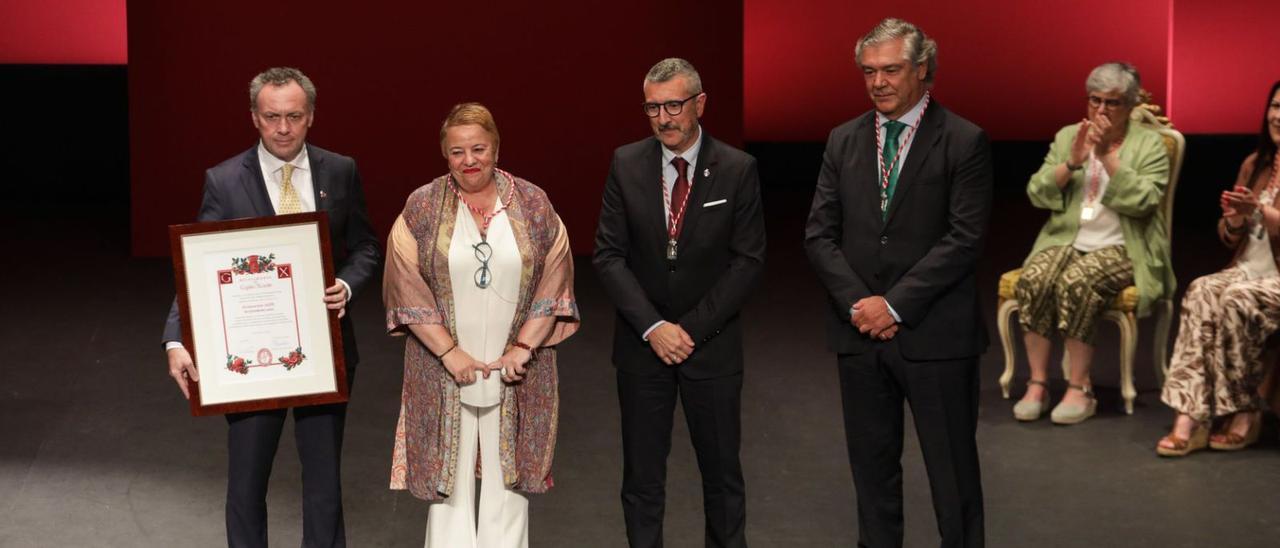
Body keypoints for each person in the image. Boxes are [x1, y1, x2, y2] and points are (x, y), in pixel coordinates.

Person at [161, 66, 381, 547]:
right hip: (248, 361)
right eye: (272, 117)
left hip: (323, 353)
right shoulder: (223, 181)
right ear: (254, 119)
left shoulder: (340, 170)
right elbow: (197, 266)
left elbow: (366, 245)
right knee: (246, 483)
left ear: (311, 117)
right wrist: (175, 338)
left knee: (324, 483)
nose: (283, 128)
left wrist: (346, 284)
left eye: (294, 116)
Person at [804, 18, 992, 547]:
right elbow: (819, 235)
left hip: (936, 337)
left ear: (923, 68)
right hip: (859, 333)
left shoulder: (963, 140)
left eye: (891, 70)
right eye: (869, 71)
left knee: (953, 477)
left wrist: (895, 305)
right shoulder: (843, 140)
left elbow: (963, 239)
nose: (878, 82)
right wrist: (861, 305)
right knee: (872, 476)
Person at [383, 102, 579, 548]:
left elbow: (556, 277)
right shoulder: (423, 205)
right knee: (446, 488)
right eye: (457, 152)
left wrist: (523, 349)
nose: (469, 160)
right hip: (442, 368)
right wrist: (450, 353)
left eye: (478, 148)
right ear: (444, 154)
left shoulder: (532, 203)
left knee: (507, 490)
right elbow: (404, 283)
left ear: (496, 147)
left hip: (516, 372)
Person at [593, 58, 765, 548]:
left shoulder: (736, 169)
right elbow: (608, 256)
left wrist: (687, 330)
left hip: (710, 348)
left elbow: (748, 262)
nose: (664, 118)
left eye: (673, 105)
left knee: (722, 479)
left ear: (700, 104)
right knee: (642, 481)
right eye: (653, 108)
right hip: (643, 348)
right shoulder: (626, 163)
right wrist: (654, 328)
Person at [1011, 62, 1172, 424]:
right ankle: (1038, 382)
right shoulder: (1070, 135)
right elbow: (1037, 193)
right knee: (1034, 278)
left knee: (1077, 282)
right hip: (1069, 238)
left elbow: (1146, 201)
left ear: (1130, 106)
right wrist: (1072, 162)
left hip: (1125, 246)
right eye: (1094, 100)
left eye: (1111, 103)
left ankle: (1079, 388)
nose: (1100, 111)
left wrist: (1108, 159)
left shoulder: (1150, 144)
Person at [1156, 80, 1280, 456]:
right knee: (1201, 290)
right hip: (1248, 269)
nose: (1279, 116)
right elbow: (1229, 236)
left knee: (1237, 300)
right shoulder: (1254, 163)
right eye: (1275, 106)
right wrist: (1236, 220)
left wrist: (1260, 210)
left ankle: (1245, 410)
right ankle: (1189, 417)